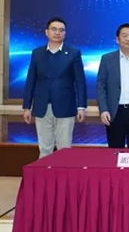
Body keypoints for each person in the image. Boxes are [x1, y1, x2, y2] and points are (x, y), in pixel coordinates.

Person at [22, 17, 87, 158]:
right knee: (45, 148)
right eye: (54, 29)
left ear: (65, 33)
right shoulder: (37, 53)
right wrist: (27, 106)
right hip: (42, 106)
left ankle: (64, 173)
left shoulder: (73, 53)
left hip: (65, 106)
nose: (57, 33)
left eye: (61, 30)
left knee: (64, 148)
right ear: (47, 32)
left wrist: (82, 106)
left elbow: (80, 81)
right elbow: (31, 80)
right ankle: (44, 172)